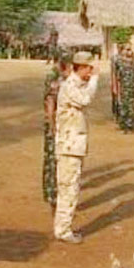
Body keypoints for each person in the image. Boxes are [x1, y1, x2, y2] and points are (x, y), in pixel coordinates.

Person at [53, 51, 99, 244]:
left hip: (73, 146)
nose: (91, 71)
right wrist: (95, 80)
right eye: (89, 68)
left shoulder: (75, 84)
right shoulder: (69, 86)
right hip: (69, 147)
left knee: (71, 187)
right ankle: (63, 230)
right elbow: (85, 99)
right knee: (69, 188)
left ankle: (63, 227)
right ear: (80, 67)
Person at [43, 52, 72, 211]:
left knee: (51, 159)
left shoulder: (56, 75)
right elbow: (50, 103)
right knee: (54, 160)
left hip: (56, 123)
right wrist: (53, 127)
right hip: (55, 124)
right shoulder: (54, 77)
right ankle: (53, 195)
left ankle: (50, 193)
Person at [116, 46, 134, 133]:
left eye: (130, 50)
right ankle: (123, 126)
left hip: (132, 90)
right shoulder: (119, 63)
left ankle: (129, 126)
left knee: (131, 109)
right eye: (127, 50)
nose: (129, 52)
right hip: (123, 89)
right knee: (123, 108)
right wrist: (117, 90)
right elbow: (117, 78)